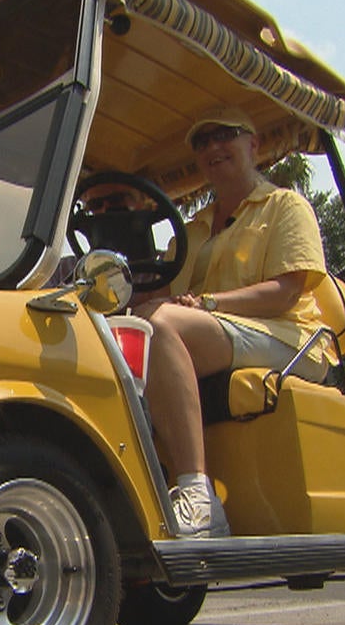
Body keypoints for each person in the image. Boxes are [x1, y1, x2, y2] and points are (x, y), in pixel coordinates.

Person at [135, 105, 332, 536]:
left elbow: (286, 293)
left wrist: (207, 304)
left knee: (159, 327)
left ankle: (199, 497)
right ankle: (137, 487)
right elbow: (160, 295)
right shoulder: (192, 230)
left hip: (288, 336)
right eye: (202, 142)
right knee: (122, 332)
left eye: (225, 135)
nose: (213, 147)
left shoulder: (284, 206)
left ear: (254, 144)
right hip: (215, 334)